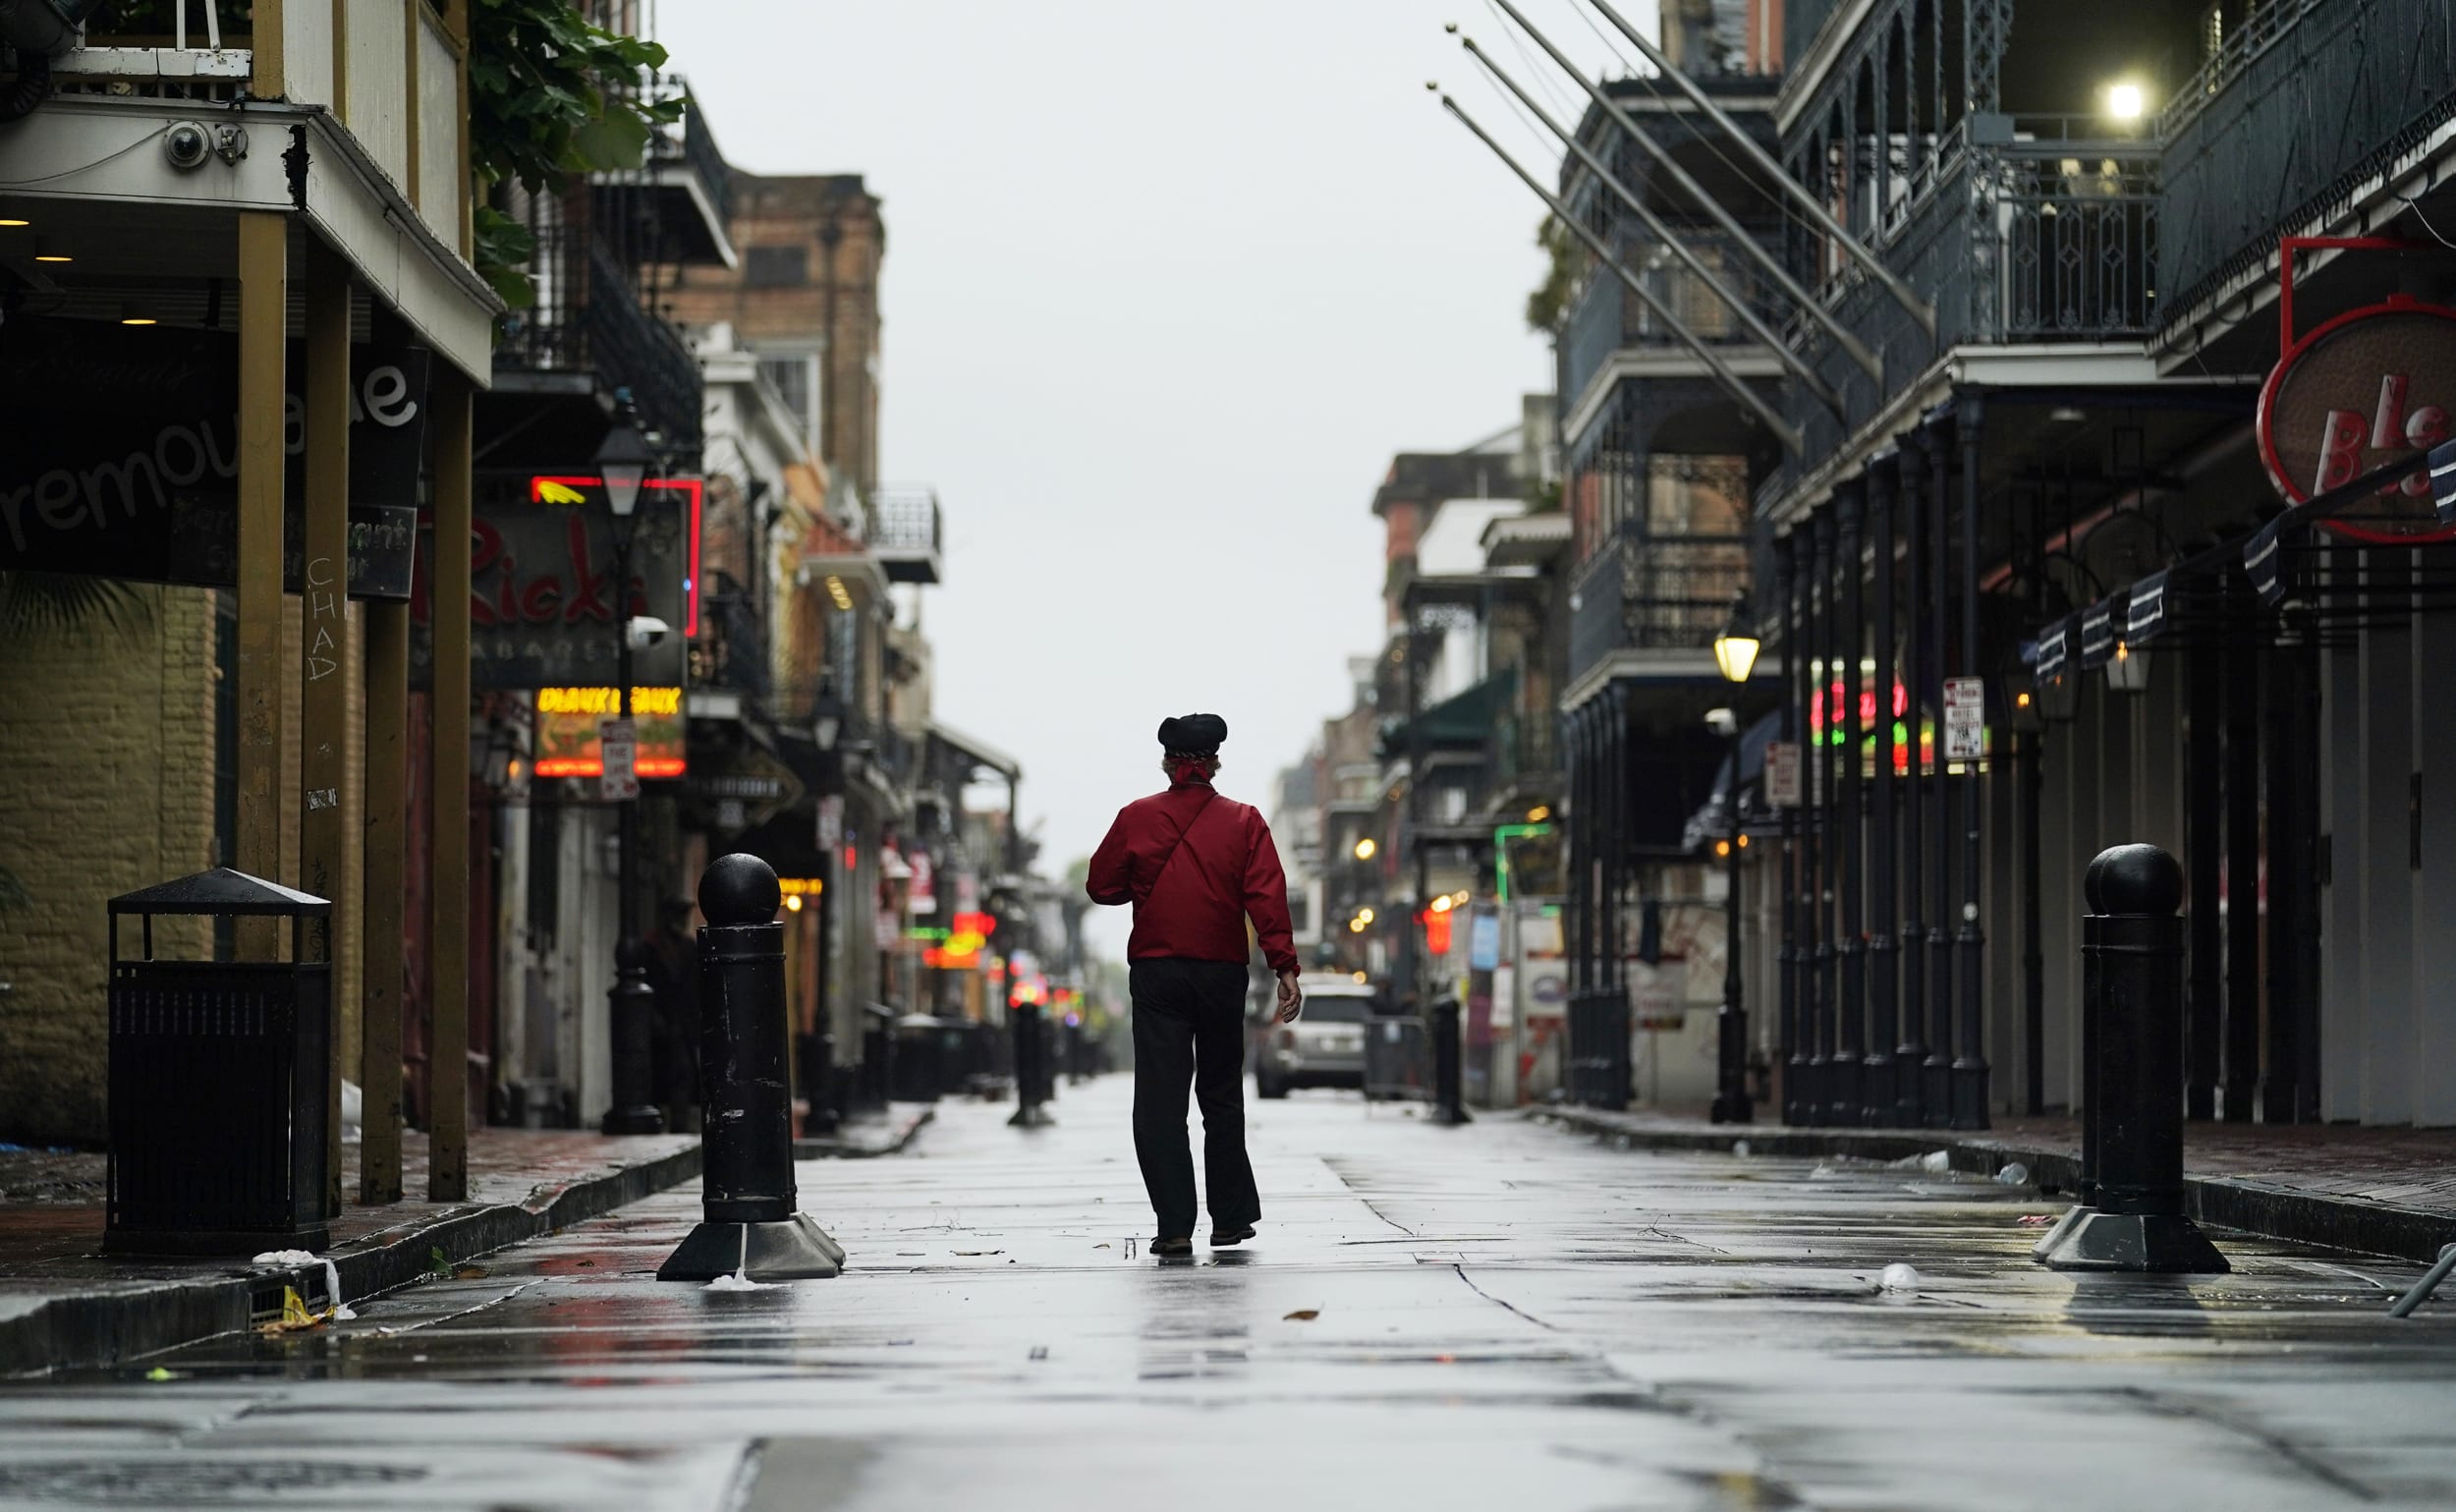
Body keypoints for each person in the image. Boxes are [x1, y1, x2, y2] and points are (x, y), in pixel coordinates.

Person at [1087, 712, 1301, 1258]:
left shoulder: (1136, 818)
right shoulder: (1245, 821)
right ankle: (1229, 1220)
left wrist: (1145, 884)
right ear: (1214, 762)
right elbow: (1267, 898)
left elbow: (1100, 886)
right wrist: (1285, 967)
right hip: (1222, 973)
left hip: (1158, 974)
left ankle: (1175, 1225)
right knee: (1221, 1096)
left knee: (1160, 1101)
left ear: (1167, 763)